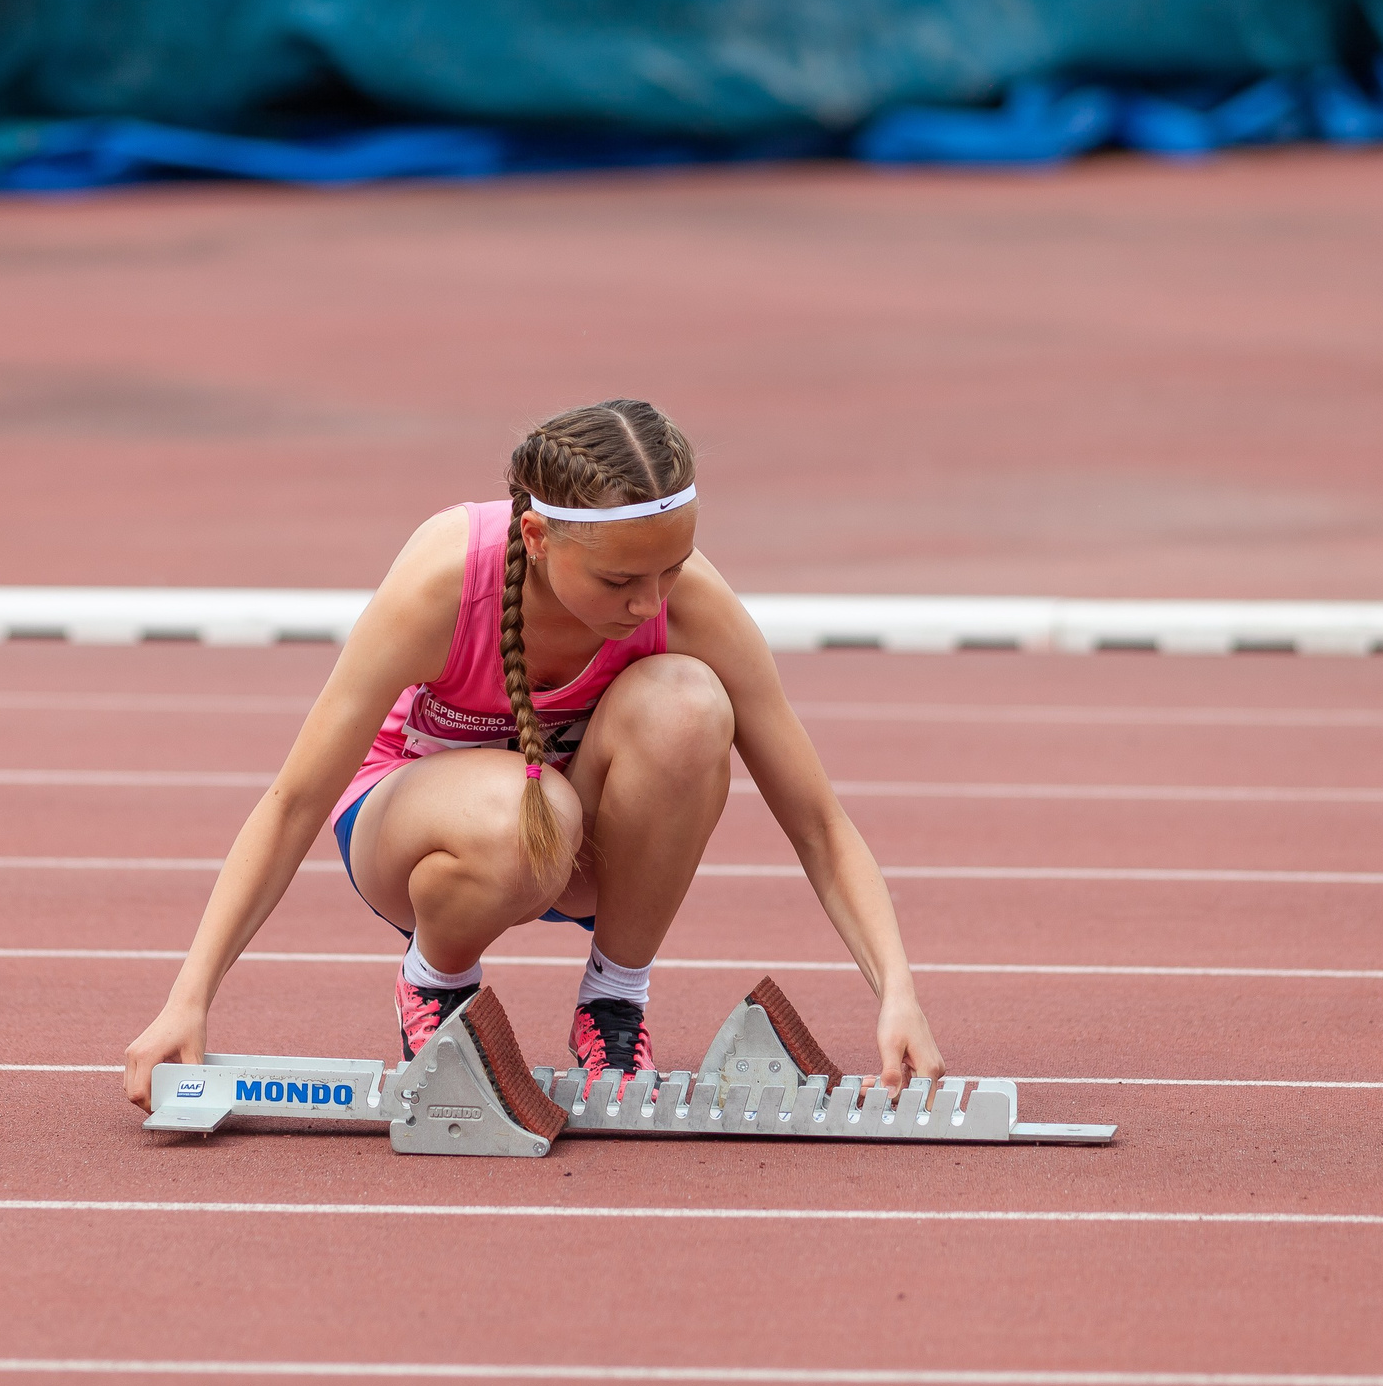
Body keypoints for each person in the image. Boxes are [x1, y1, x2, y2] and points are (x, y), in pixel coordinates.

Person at [122, 397, 943, 1108]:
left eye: (672, 567)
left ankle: (614, 1004)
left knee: (691, 706)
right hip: (418, 836)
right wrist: (188, 998)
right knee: (529, 809)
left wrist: (896, 992)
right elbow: (294, 799)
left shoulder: (685, 603)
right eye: (622, 579)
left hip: (579, 843)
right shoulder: (444, 581)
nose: (650, 601)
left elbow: (818, 822)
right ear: (538, 538)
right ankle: (435, 986)